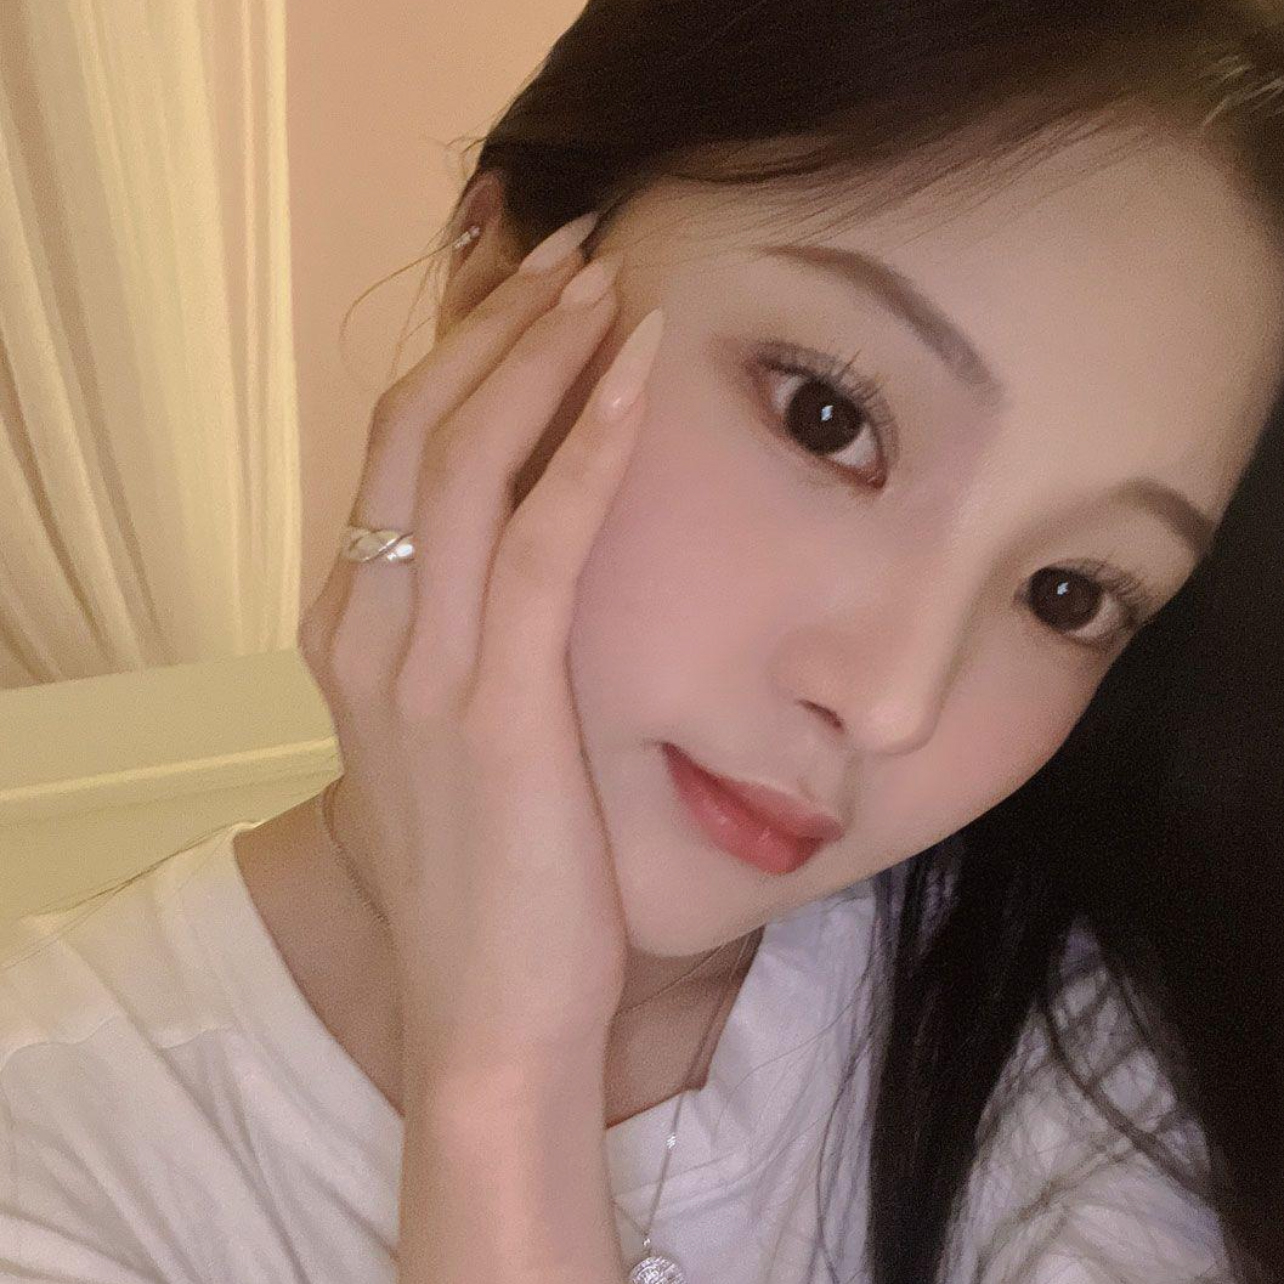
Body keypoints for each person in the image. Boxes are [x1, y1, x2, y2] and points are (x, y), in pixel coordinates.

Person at [2, 0, 1283, 1280]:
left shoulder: (1069, 1038)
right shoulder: (50, 1141)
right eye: (829, 419)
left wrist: (506, 1088)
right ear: (497, 287)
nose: (894, 703)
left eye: (1067, 593)